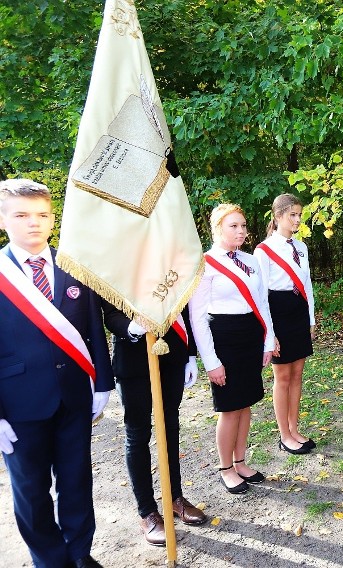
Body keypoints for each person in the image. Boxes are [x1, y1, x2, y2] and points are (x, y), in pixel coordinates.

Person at [0, 178, 113, 568]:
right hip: (18, 405)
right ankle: (51, 561)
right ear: (3, 220)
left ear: (52, 219)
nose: (34, 222)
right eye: (21, 215)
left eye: (42, 215)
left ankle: (80, 554)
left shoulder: (71, 266)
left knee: (76, 481)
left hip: (73, 395)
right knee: (31, 492)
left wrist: (102, 381)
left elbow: (93, 327)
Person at [102, 303, 207, 546]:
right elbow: (109, 313)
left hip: (172, 351)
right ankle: (147, 512)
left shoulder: (165, 263)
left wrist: (190, 354)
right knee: (138, 435)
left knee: (170, 426)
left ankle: (175, 498)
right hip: (133, 358)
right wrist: (133, 327)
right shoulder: (117, 265)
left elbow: (184, 303)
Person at [189, 204, 275, 494]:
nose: (240, 231)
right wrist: (211, 362)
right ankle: (225, 467)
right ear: (217, 229)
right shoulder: (205, 262)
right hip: (223, 339)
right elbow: (197, 317)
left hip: (250, 335)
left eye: (242, 225)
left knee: (246, 402)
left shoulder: (251, 261)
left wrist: (267, 340)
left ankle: (240, 461)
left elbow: (262, 303)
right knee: (229, 407)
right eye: (233, 226)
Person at [255, 194, 317, 455]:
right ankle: (284, 435)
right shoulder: (264, 250)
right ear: (278, 216)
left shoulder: (301, 248)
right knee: (282, 377)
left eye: (299, 215)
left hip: (299, 312)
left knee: (297, 374)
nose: (297, 220)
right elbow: (260, 295)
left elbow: (308, 286)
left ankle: (294, 428)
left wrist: (311, 319)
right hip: (277, 314)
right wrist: (269, 334)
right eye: (292, 215)